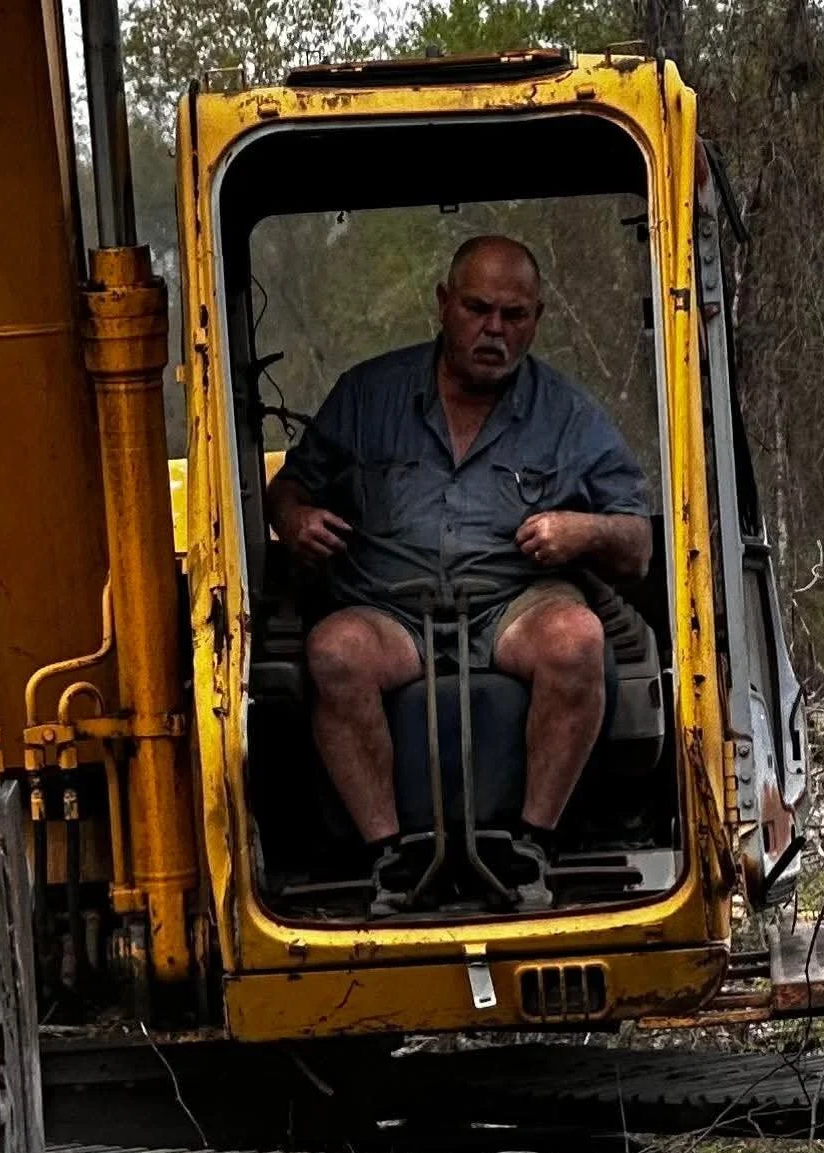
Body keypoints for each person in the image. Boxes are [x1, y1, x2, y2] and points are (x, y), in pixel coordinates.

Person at [265, 234, 653, 904]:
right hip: (388, 605)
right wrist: (297, 520)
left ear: (537, 319)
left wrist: (579, 529)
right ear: (444, 304)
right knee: (333, 652)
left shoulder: (567, 413)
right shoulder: (367, 396)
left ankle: (532, 848)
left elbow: (637, 542)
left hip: (512, 603)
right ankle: (389, 859)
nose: (494, 330)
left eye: (515, 315)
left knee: (578, 640)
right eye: (478, 309)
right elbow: (289, 490)